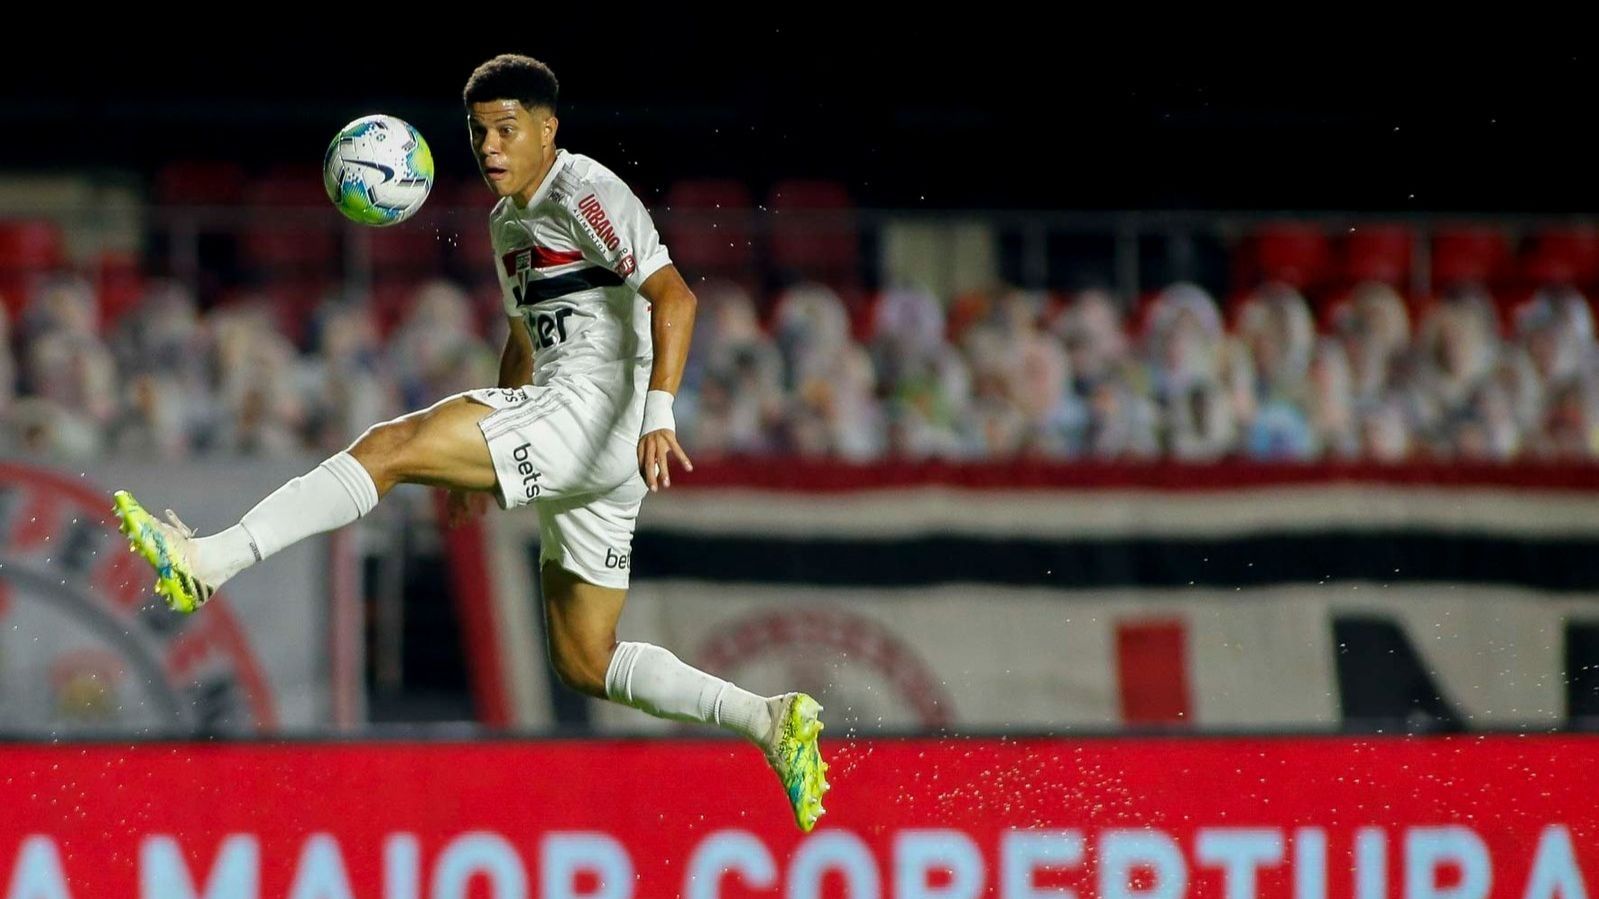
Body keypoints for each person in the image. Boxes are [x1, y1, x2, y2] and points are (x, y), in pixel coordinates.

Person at [112, 53, 829, 832]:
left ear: (547, 130)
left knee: (389, 446)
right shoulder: (506, 221)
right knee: (585, 660)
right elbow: (525, 342)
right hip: (585, 436)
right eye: (478, 131)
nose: (489, 147)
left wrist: (661, 410)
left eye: (507, 129)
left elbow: (676, 297)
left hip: (597, 412)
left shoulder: (582, 188)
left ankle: (207, 561)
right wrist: (474, 468)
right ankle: (767, 717)